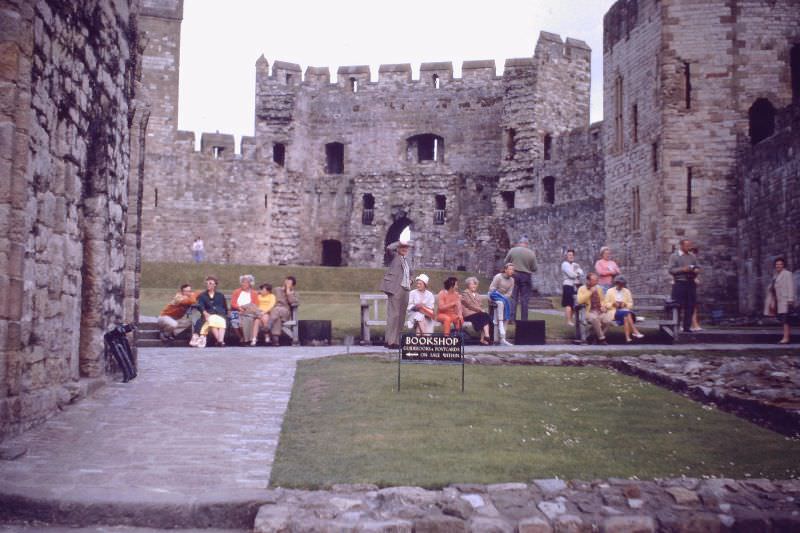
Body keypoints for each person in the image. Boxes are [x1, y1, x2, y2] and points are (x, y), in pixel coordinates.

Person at [381, 240, 413, 349]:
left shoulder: (408, 259)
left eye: (406, 247)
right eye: (402, 247)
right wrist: (399, 242)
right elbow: (389, 248)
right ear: (398, 248)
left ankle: (397, 341)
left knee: (401, 316)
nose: (404, 249)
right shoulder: (394, 256)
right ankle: (389, 341)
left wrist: (411, 280)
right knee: (393, 315)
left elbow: (411, 273)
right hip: (395, 288)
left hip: (405, 289)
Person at [668, 239, 700, 333]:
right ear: (681, 246)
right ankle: (676, 326)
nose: (689, 247)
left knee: (690, 305)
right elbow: (671, 270)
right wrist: (683, 269)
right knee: (678, 305)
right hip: (679, 283)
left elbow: (697, 266)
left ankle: (687, 327)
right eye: (687, 245)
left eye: (690, 245)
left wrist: (696, 270)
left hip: (690, 283)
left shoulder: (692, 256)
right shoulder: (674, 256)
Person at [504, 235, 537, 322]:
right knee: (524, 299)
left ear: (519, 243)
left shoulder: (513, 250)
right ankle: (524, 320)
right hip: (526, 276)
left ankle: (512, 319)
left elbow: (505, 262)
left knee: (513, 297)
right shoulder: (531, 253)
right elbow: (534, 268)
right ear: (527, 244)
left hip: (514, 275)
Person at [604, 275, 644, 343]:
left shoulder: (627, 291)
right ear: (616, 283)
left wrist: (625, 304)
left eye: (623, 284)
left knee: (626, 316)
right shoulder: (609, 291)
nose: (621, 285)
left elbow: (631, 304)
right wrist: (613, 304)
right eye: (619, 284)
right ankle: (635, 331)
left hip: (624, 311)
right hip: (613, 312)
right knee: (627, 314)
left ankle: (628, 338)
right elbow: (606, 304)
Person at [764, 257, 795, 344]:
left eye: (780, 264)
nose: (778, 266)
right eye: (777, 264)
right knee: (783, 319)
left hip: (785, 300)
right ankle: (785, 337)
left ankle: (786, 338)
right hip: (778, 300)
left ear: (783, 265)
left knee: (786, 319)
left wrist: (790, 299)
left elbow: (790, 286)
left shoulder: (787, 274)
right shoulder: (776, 275)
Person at [190, 276, 227, 348]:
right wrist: (204, 312)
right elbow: (200, 305)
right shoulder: (202, 295)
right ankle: (220, 341)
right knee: (212, 320)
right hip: (208, 314)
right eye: (207, 283)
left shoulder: (220, 295)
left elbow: (224, 307)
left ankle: (220, 341)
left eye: (210, 283)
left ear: (215, 285)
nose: (208, 285)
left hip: (220, 314)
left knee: (220, 320)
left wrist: (224, 313)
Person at [576, 272, 612, 345]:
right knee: (594, 318)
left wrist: (603, 306)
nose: (596, 282)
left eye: (597, 280)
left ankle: (596, 337)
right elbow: (579, 301)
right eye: (594, 280)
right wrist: (590, 292)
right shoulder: (582, 288)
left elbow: (602, 300)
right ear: (588, 280)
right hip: (588, 312)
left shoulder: (598, 288)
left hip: (599, 311)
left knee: (608, 320)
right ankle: (601, 339)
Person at [489, 263, 515, 346]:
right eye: (510, 269)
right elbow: (492, 288)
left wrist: (504, 297)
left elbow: (509, 293)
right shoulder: (498, 277)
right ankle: (500, 324)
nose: (511, 271)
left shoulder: (512, 280)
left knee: (506, 304)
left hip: (504, 299)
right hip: (494, 296)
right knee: (500, 303)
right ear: (505, 269)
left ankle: (502, 338)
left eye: (512, 270)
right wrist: (500, 295)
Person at [461, 276, 492, 345]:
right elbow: (468, 305)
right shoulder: (465, 293)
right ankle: (486, 337)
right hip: (468, 313)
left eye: (475, 284)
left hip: (477, 313)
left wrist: (480, 309)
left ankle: (484, 339)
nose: (473, 286)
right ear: (468, 285)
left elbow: (480, 304)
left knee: (485, 316)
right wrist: (479, 309)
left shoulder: (477, 295)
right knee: (484, 316)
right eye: (471, 284)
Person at [268, 276, 298, 346]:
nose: (287, 283)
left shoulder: (294, 293)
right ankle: (276, 340)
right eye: (286, 281)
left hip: (285, 311)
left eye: (289, 283)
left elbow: (293, 302)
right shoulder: (277, 289)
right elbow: (268, 295)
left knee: (277, 310)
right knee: (277, 318)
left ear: (292, 285)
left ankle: (268, 325)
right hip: (275, 312)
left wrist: (288, 292)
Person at [230, 274, 259, 344]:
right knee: (234, 322)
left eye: (246, 282)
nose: (243, 284)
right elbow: (233, 303)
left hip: (248, 312)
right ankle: (241, 338)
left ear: (250, 284)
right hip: (236, 311)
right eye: (242, 282)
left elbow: (255, 305)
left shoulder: (254, 293)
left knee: (246, 320)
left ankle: (246, 339)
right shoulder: (236, 291)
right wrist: (239, 309)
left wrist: (245, 311)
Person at [561, 249, 584, 326]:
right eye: (569, 255)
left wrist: (576, 273)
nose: (571, 256)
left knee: (575, 304)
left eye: (572, 255)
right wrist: (576, 274)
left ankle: (571, 320)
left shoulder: (575, 264)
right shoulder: (564, 264)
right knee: (568, 303)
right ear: (567, 256)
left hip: (575, 285)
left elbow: (581, 272)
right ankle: (568, 321)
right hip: (567, 285)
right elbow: (571, 275)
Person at [689, 246, 703, 331]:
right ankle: (687, 324)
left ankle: (694, 324)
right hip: (683, 286)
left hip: (691, 286)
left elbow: (695, 272)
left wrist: (695, 278)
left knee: (693, 305)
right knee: (682, 306)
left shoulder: (694, 263)